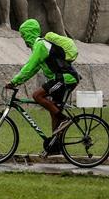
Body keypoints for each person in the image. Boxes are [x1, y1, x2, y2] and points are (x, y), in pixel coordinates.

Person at [5, 18, 80, 148]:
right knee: (54, 110)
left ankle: (64, 119)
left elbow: (29, 66)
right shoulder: (42, 46)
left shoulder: (40, 45)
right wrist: (18, 82)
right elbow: (33, 70)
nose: (24, 41)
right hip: (64, 79)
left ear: (29, 33)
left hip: (64, 79)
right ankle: (56, 145)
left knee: (37, 95)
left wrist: (14, 82)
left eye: (24, 36)